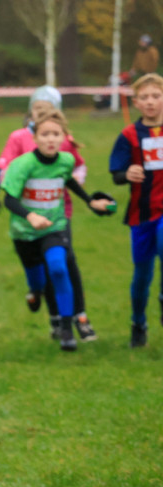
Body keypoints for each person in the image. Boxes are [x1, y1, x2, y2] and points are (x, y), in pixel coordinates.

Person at [0, 86, 97, 342]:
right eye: (37, 109)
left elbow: (73, 172)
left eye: (47, 109)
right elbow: (6, 171)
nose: (51, 138)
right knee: (43, 272)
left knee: (62, 264)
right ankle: (52, 313)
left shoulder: (64, 144)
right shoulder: (21, 142)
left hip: (58, 214)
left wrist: (90, 199)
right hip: (26, 219)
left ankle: (75, 320)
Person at [1, 109, 114, 351]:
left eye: (56, 134)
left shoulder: (66, 161)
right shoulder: (22, 165)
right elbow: (8, 199)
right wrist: (31, 216)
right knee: (38, 281)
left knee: (59, 268)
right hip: (24, 233)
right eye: (45, 134)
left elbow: (68, 180)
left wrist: (90, 201)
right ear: (35, 137)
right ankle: (34, 291)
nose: (51, 139)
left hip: (55, 227)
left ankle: (66, 329)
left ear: (63, 137)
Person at [109, 73, 163, 348]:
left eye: (156, 96)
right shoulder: (129, 135)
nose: (151, 102)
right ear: (136, 103)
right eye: (145, 97)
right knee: (142, 275)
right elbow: (116, 173)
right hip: (141, 214)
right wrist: (126, 173)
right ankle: (138, 322)